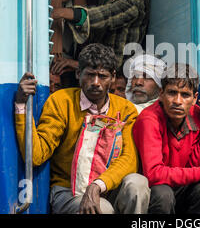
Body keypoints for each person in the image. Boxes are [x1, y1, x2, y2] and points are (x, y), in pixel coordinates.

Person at [14, 43, 150, 214]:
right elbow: (36, 155)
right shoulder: (62, 102)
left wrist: (97, 185)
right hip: (68, 191)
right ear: (78, 74)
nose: (96, 83)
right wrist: (21, 105)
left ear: (113, 77)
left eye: (102, 76)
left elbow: (129, 159)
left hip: (107, 187)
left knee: (137, 183)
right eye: (90, 75)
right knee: (103, 209)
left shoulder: (125, 109)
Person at [133, 63, 200, 214]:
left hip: (181, 188)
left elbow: (195, 163)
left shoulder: (197, 114)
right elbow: (153, 174)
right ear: (161, 94)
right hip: (156, 190)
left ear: (194, 98)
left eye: (185, 95)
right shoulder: (149, 119)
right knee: (163, 194)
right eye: (172, 93)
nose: (178, 101)